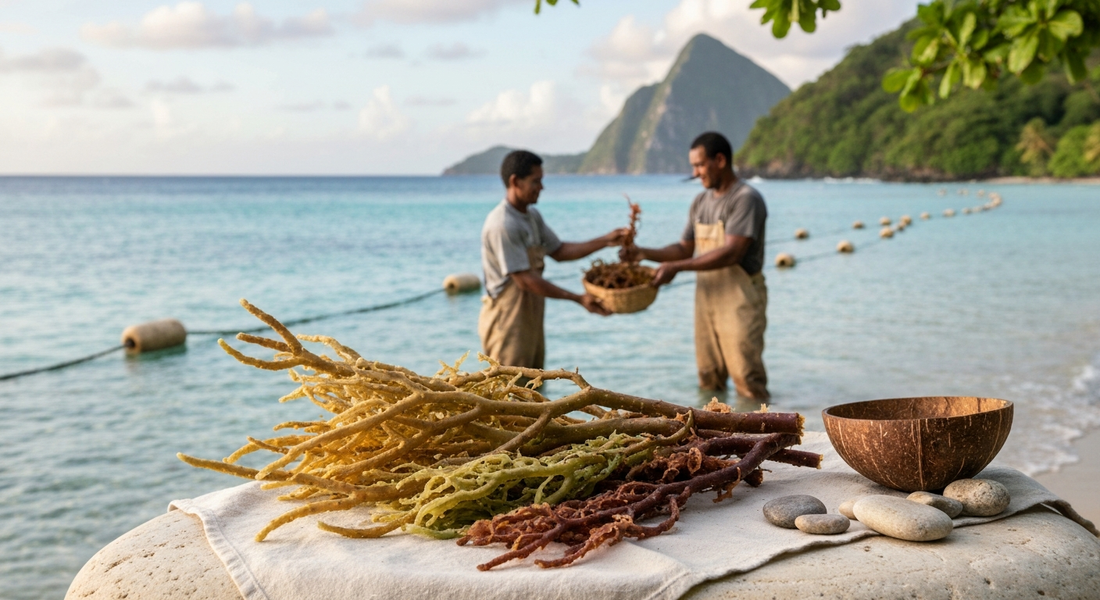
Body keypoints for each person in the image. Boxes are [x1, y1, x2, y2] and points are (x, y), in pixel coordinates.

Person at [620, 132, 770, 399]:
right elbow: (683, 249)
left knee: (747, 378)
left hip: (741, 299)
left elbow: (732, 253)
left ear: (720, 160)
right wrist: (643, 253)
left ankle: (764, 435)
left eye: (700, 165)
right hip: (706, 299)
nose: (695, 173)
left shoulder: (745, 198)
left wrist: (677, 268)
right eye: (693, 166)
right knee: (708, 378)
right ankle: (719, 437)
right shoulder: (700, 202)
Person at [479, 150, 626, 369]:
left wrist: (606, 240)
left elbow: (560, 251)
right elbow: (524, 280)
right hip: (507, 319)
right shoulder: (503, 224)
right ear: (514, 181)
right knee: (509, 392)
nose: (542, 188)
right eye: (535, 181)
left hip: (530, 316)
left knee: (533, 386)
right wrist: (577, 298)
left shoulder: (532, 216)